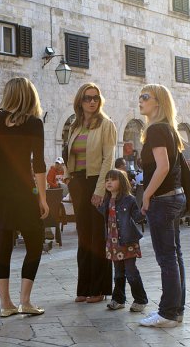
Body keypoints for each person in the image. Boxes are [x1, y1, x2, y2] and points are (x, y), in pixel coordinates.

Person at [0, 77, 49, 318]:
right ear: (30, 95)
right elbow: (39, 164)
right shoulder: (34, 123)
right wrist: (43, 197)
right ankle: (25, 301)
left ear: (9, 94)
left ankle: (6, 304)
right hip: (22, 190)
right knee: (35, 243)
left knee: (4, 247)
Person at [138, 84, 186, 328]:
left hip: (163, 199)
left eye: (145, 97)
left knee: (167, 257)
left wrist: (146, 195)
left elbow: (163, 166)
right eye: (140, 97)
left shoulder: (157, 129)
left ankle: (167, 313)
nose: (140, 100)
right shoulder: (169, 129)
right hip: (175, 197)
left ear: (158, 102)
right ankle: (176, 311)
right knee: (174, 256)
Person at [65, 82, 117, 303]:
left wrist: (100, 190)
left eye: (95, 97)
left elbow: (109, 159)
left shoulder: (106, 125)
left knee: (98, 237)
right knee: (84, 236)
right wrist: (68, 177)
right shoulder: (75, 126)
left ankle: (99, 288)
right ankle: (84, 288)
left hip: (96, 181)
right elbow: (69, 153)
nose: (92, 101)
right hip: (77, 183)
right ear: (80, 101)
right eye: (87, 98)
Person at [99, 169, 148, 312]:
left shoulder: (129, 199)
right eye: (107, 180)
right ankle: (118, 299)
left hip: (127, 241)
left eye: (112, 179)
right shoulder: (106, 200)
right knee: (118, 272)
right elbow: (102, 214)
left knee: (131, 271)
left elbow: (138, 217)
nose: (109, 182)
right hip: (113, 242)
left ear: (122, 182)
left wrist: (145, 209)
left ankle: (140, 300)